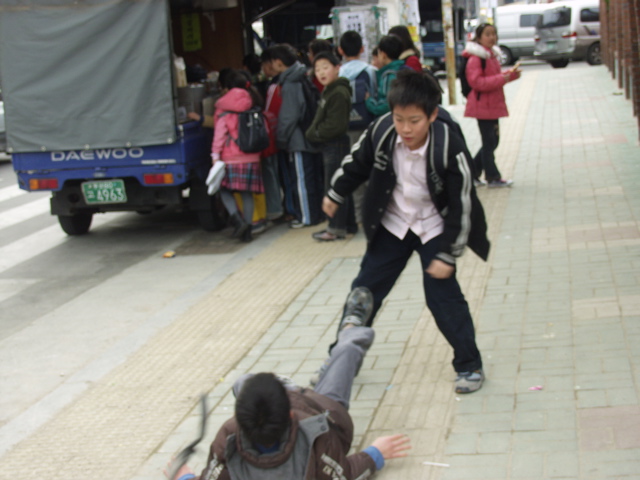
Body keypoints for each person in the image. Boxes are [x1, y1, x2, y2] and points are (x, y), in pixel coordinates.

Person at [322, 70, 490, 394]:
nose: (406, 129)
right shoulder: (382, 130)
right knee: (363, 295)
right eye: (399, 119)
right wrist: (335, 193)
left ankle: (469, 365)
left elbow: (464, 203)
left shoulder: (449, 145)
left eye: (414, 120)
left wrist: (448, 253)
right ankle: (338, 363)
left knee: (443, 299)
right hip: (394, 223)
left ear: (432, 115)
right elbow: (356, 162)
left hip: (435, 227)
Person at [168, 288, 411, 480]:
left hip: (294, 408)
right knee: (346, 350)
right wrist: (375, 454)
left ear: (240, 422)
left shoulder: (229, 437)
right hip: (326, 412)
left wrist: (184, 476)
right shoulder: (317, 435)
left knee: (243, 383)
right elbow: (344, 474)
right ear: (290, 413)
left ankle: (286, 387)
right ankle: (350, 327)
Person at [266, 44, 324, 229]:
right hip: (309, 135)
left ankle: (307, 217)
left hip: (298, 139)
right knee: (312, 178)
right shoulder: (302, 76)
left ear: (278, 62)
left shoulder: (290, 83)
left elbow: (289, 115)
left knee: (301, 180)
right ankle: (316, 213)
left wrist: (281, 138)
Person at [305, 52, 356, 241]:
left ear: (337, 68)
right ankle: (348, 225)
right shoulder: (330, 90)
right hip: (332, 144)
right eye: (317, 69)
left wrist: (314, 134)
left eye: (325, 67)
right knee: (341, 184)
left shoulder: (338, 92)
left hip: (335, 144)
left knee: (334, 186)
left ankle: (335, 228)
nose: (321, 73)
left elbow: (336, 126)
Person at [463, 23, 521, 188]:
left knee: (492, 142)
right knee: (490, 143)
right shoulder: (476, 58)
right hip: (482, 106)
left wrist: (509, 75)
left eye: (493, 34)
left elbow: (493, 77)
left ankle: (473, 173)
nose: (492, 37)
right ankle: (492, 177)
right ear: (479, 37)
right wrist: (503, 78)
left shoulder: (490, 56)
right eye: (487, 34)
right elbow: (477, 82)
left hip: (492, 105)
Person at [211, 69, 265, 242]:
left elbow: (219, 135)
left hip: (231, 157)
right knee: (247, 194)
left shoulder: (223, 109)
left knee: (223, 189)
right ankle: (247, 231)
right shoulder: (253, 103)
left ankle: (237, 219)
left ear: (227, 88)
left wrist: (215, 156)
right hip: (251, 156)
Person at [338, 30, 378, 226]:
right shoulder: (370, 70)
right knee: (372, 167)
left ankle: (360, 216)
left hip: (347, 127)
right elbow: (375, 95)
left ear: (340, 50)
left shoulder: (339, 72)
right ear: (362, 49)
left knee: (353, 168)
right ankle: (375, 213)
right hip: (368, 125)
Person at [365, 35, 405, 118]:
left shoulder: (388, 75)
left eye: (378, 53)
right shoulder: (402, 69)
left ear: (383, 55)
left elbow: (386, 105)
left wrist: (369, 101)